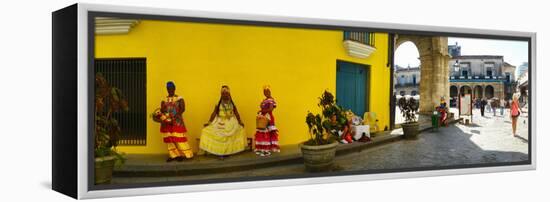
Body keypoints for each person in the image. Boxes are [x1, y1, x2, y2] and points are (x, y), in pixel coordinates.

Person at [199, 85, 247, 157]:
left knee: (239, 130)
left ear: (229, 94)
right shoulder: (218, 103)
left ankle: (228, 152)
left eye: (226, 93)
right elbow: (214, 113)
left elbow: (236, 113)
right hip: (220, 121)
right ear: (221, 94)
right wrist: (209, 122)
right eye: (223, 93)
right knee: (206, 131)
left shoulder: (232, 104)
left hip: (231, 122)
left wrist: (240, 122)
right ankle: (220, 153)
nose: (225, 95)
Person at [155, 81, 194, 162]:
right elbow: (162, 109)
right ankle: (173, 155)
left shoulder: (180, 99)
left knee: (179, 138)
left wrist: (175, 116)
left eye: (172, 88)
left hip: (177, 121)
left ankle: (184, 154)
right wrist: (160, 114)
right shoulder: (164, 100)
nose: (170, 90)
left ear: (175, 88)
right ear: (167, 89)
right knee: (170, 139)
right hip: (167, 122)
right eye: (168, 89)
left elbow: (182, 109)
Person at [254, 85, 280, 156]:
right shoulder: (265, 100)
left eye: (267, 91)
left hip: (268, 118)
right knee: (263, 132)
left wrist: (262, 110)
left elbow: (271, 109)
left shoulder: (271, 100)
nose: (266, 93)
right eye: (264, 92)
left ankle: (267, 149)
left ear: (270, 91)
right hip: (264, 117)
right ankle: (263, 148)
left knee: (266, 133)